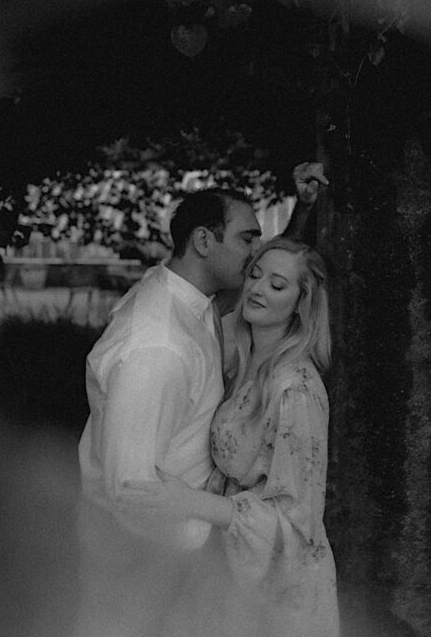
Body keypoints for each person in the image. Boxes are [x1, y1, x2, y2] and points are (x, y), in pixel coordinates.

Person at [74, 163, 326, 636]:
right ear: (205, 242)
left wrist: (303, 212)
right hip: (144, 556)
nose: (256, 258)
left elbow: (274, 285)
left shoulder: (189, 298)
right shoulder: (159, 348)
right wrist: (197, 542)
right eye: (248, 239)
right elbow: (129, 490)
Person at [122, 237, 338, 636]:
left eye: (277, 285)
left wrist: (191, 503)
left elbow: (295, 523)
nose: (257, 288)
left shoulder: (295, 391)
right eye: (254, 275)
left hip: (277, 587)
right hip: (226, 566)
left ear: (301, 303)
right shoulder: (240, 355)